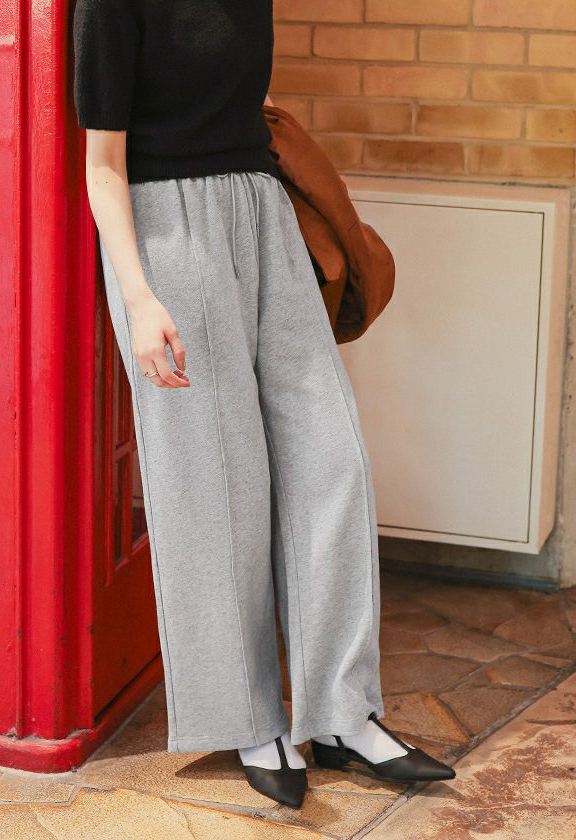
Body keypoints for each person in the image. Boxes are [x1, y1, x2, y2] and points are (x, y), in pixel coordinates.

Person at [72, 0, 455, 809]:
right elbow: (102, 163)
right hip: (168, 228)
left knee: (333, 461)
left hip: (263, 214)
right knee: (217, 488)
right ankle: (247, 719)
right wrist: (138, 298)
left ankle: (343, 715)